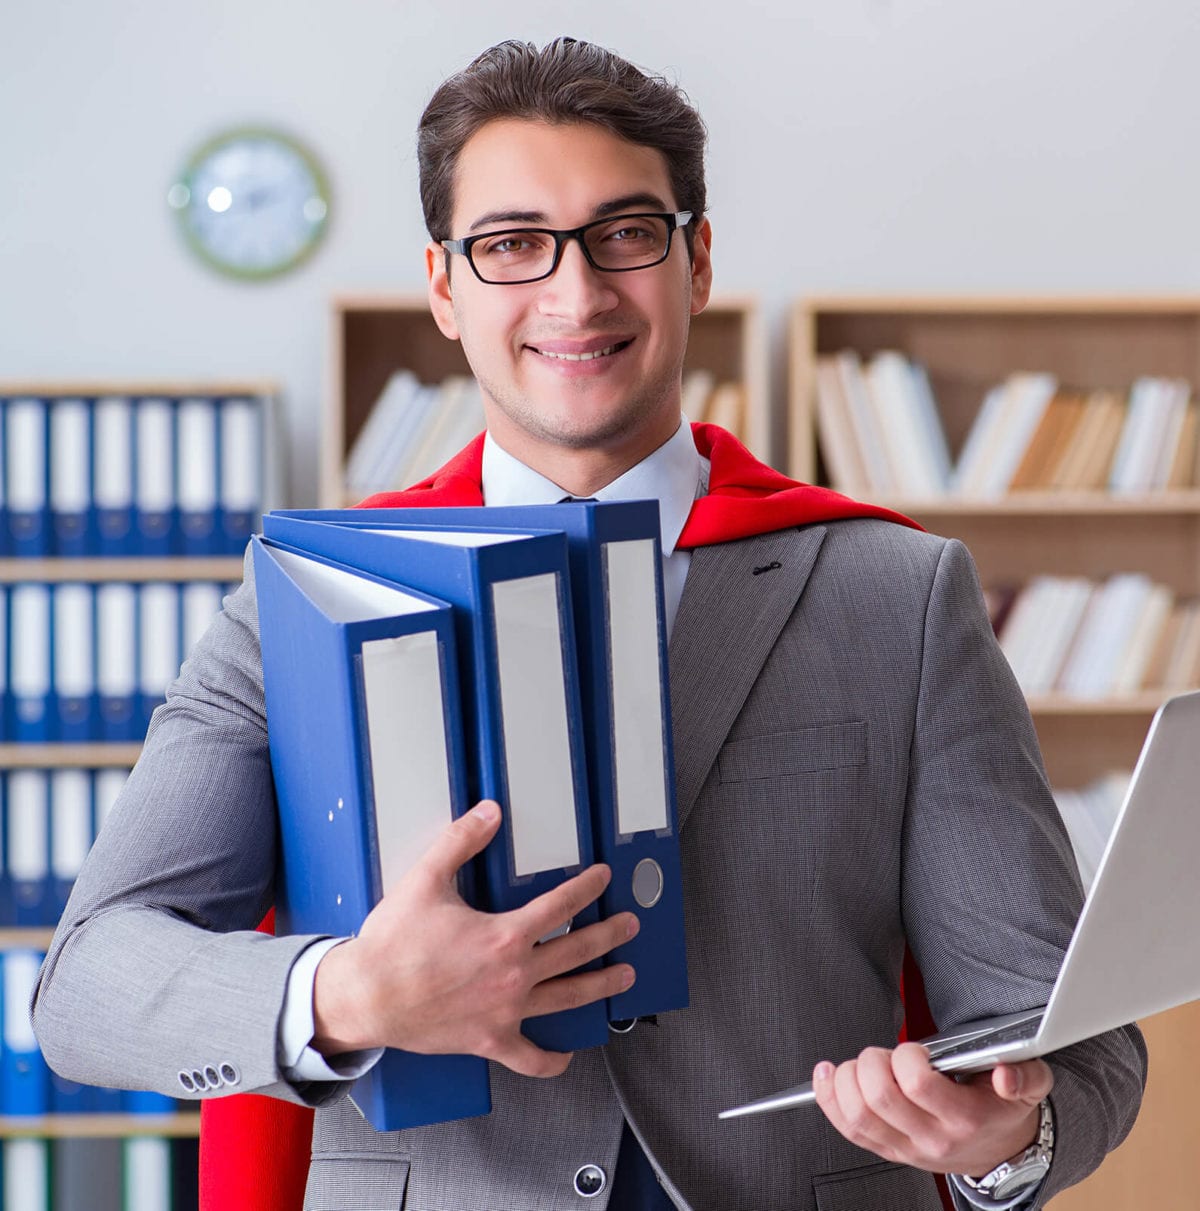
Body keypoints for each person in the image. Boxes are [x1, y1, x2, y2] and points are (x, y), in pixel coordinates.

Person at [33, 37, 1144, 1211]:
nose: (577, 293)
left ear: (696, 260)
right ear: (444, 286)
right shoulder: (303, 593)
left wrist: (1001, 1137)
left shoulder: (896, 595)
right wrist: (350, 992)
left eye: (626, 233)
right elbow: (90, 984)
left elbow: (1073, 1043)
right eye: (513, 244)